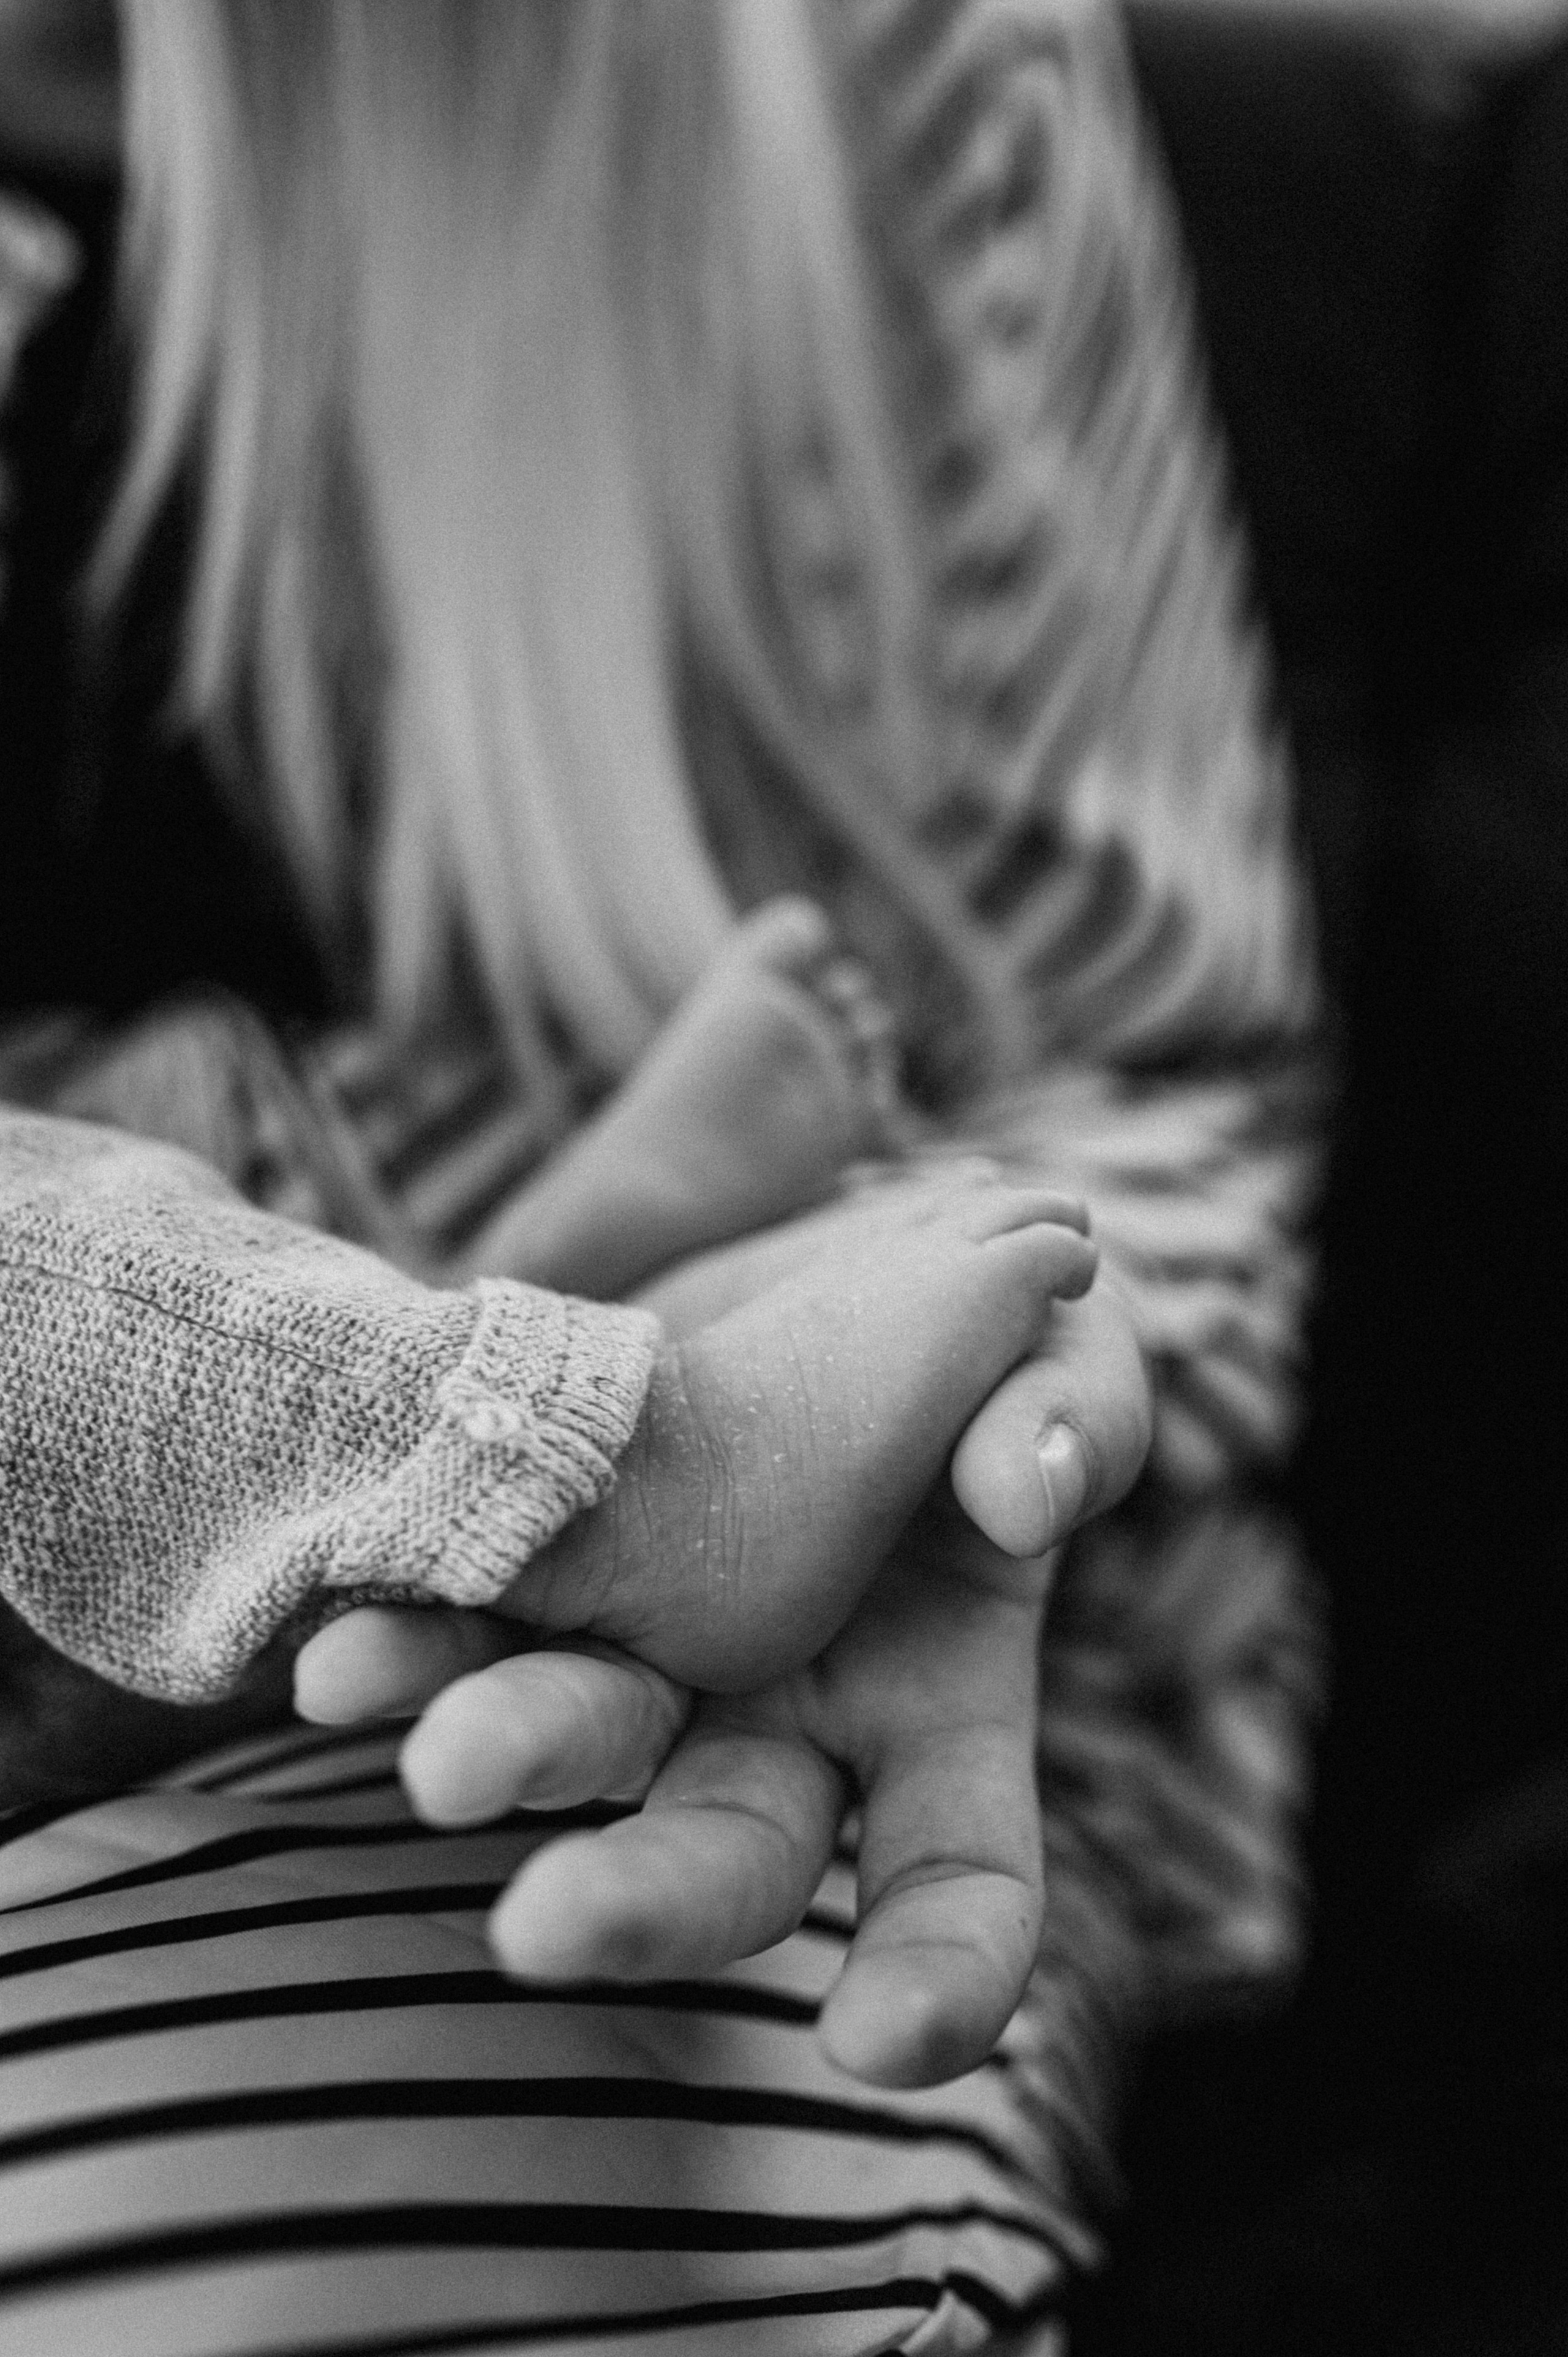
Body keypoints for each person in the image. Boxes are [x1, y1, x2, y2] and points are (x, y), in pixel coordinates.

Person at [0, 1, 1322, 2348]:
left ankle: (558, 1410)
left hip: (754, 1718)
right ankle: (568, 1386)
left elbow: (1139, 1056)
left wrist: (966, 1357)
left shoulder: (871, 64)